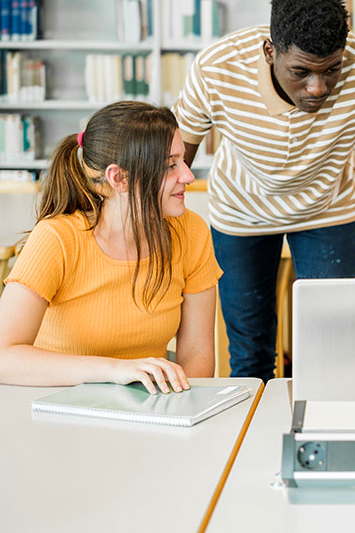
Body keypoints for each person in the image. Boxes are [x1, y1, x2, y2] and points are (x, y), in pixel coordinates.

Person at [173, 0, 355, 380]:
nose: (318, 88)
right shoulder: (217, 67)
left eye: (332, 70)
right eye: (301, 72)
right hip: (240, 214)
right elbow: (172, 169)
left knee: (330, 349)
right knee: (250, 355)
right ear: (269, 52)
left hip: (327, 211)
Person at [0, 102, 221, 395]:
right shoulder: (57, 237)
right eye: (170, 165)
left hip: (147, 408)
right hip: (54, 404)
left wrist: (180, 414)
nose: (188, 176)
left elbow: (197, 357)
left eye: (182, 161)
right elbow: (5, 356)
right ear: (119, 178)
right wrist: (113, 369)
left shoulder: (191, 232)